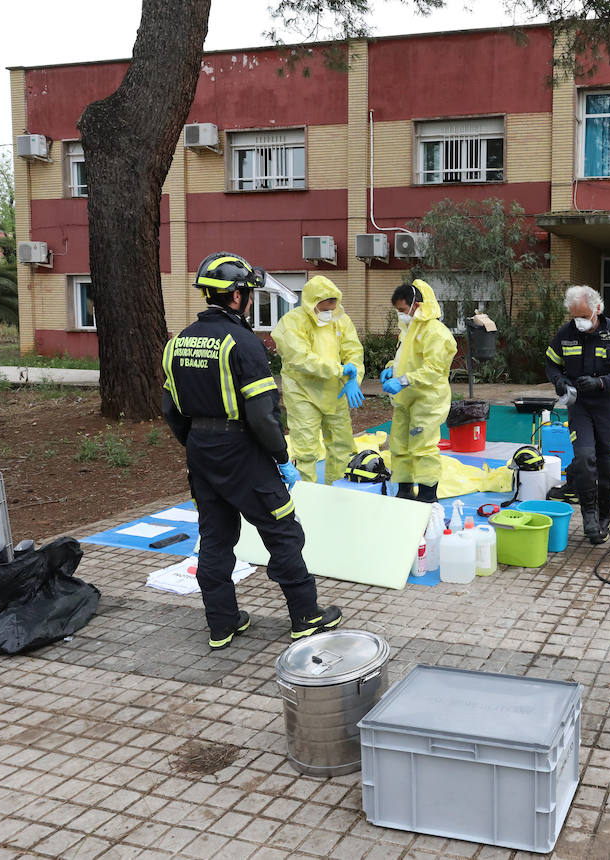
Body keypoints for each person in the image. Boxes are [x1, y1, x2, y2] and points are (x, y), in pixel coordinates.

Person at [162, 253, 341, 650]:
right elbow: (262, 414)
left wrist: (196, 444)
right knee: (282, 532)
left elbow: (170, 409)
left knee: (215, 537)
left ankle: (222, 624)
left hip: (201, 450)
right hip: (243, 451)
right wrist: (280, 457)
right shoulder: (243, 342)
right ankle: (306, 617)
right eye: (247, 292)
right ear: (238, 296)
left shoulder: (177, 342)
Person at [545, 285, 610, 543]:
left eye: (584, 316)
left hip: (606, 406)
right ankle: (588, 514)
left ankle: (604, 515)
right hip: (580, 406)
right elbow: (551, 364)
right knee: (585, 459)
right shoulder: (565, 334)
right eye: (575, 316)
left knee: (608, 468)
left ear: (598, 308)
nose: (580, 322)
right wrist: (559, 380)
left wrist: (601, 383)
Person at [272, 275, 365, 485]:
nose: (328, 312)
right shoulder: (292, 322)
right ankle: (307, 497)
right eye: (324, 307)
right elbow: (300, 359)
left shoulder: (341, 320)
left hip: (335, 392)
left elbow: (353, 352)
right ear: (311, 302)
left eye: (332, 306)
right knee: (306, 450)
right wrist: (340, 370)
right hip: (303, 392)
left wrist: (354, 378)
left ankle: (338, 493)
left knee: (342, 446)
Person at [382, 280, 456, 502]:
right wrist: (389, 370)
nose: (401, 315)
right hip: (405, 399)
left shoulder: (437, 333)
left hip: (427, 401)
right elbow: (405, 359)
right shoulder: (409, 329)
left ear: (417, 305)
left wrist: (402, 380)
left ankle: (426, 495)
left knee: (422, 447)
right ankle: (405, 491)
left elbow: (434, 370)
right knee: (399, 445)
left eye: (403, 310)